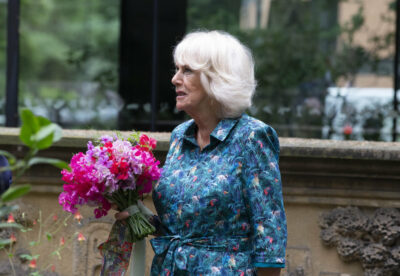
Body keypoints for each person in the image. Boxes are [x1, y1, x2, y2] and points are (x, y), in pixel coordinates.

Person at [116, 30, 287, 276]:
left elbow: (269, 233)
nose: (175, 79)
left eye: (187, 71)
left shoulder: (251, 137)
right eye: (176, 69)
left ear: (217, 78)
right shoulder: (180, 135)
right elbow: (183, 227)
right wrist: (142, 217)